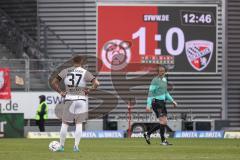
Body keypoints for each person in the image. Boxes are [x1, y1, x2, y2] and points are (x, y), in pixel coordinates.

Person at [50, 55, 100, 152]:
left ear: (72, 62)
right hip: (81, 99)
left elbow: (54, 82)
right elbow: (97, 83)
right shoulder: (85, 72)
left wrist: (60, 92)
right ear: (81, 62)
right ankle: (76, 147)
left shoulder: (66, 71)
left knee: (65, 123)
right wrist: (89, 90)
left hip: (69, 99)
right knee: (79, 124)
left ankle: (61, 146)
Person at [143, 65, 177, 145]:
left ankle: (148, 134)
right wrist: (148, 105)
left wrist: (172, 100)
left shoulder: (165, 80)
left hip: (162, 102)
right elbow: (150, 93)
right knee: (163, 121)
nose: (162, 72)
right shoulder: (155, 80)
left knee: (164, 122)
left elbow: (165, 92)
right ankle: (163, 141)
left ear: (165, 71)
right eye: (160, 71)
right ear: (157, 72)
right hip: (156, 102)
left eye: (163, 71)